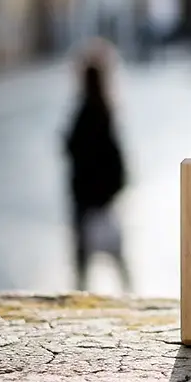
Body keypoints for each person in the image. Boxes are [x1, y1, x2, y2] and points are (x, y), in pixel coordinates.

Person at [62, 39, 131, 292]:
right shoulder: (105, 112)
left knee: (83, 265)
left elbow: (72, 150)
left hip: (85, 201)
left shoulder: (85, 114)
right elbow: (119, 165)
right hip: (101, 201)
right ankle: (129, 299)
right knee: (117, 260)